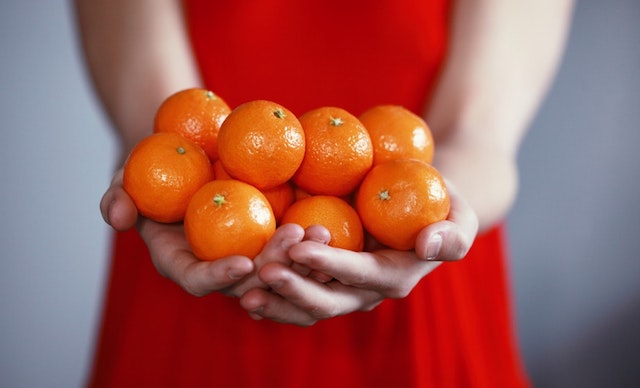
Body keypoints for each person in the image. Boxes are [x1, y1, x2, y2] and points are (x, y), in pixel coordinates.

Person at [75, 0, 574, 386]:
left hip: (414, 265)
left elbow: (478, 135)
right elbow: (169, 125)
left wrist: (445, 195)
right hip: (198, 247)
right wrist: (174, 187)